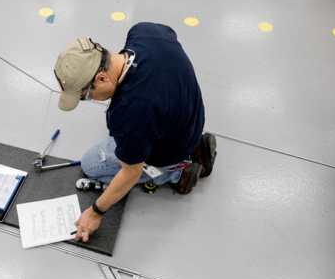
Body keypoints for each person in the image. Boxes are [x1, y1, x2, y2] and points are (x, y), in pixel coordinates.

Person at [53, 22, 216, 243]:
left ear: (102, 78)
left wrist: (95, 211)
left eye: (85, 96)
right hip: (191, 115)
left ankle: (178, 172)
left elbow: (131, 173)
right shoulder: (145, 32)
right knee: (133, 132)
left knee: (91, 163)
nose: (86, 100)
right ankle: (195, 143)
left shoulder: (129, 115)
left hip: (170, 146)